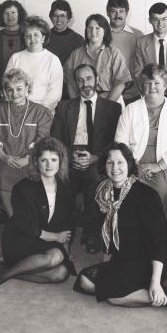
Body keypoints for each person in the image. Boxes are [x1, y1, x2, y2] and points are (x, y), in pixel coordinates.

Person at [73, 143, 167, 320]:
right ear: (104, 166)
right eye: (110, 163)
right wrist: (106, 266)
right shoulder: (103, 192)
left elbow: (159, 241)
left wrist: (155, 281)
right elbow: (107, 234)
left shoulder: (145, 194)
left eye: (120, 162)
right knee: (84, 280)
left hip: (150, 259)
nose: (115, 168)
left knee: (113, 296)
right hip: (123, 257)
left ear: (129, 165)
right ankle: (144, 291)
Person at [0, 137, 75, 290]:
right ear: (36, 162)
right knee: (56, 256)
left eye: (53, 159)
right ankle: (1, 277)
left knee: (61, 273)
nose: (49, 165)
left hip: (46, 241)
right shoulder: (24, 187)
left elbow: (67, 223)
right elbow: (27, 227)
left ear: (61, 161)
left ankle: (7, 271)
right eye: (43, 160)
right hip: (20, 239)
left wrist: (66, 250)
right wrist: (57, 238)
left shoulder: (67, 187)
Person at [51, 64, 121, 254]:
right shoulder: (65, 107)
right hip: (70, 155)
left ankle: (92, 233)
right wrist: (67, 156)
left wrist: (96, 157)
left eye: (89, 78)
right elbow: (56, 137)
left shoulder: (113, 108)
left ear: (97, 79)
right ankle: (66, 233)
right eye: (80, 80)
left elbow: (116, 141)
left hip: (98, 157)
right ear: (75, 83)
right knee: (65, 182)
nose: (85, 83)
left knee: (95, 181)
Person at [115, 64, 167, 209]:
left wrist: (157, 166)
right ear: (142, 87)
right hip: (134, 163)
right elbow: (120, 142)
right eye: (147, 83)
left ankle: (159, 231)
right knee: (129, 191)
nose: (152, 87)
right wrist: (135, 166)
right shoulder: (130, 110)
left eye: (157, 83)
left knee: (158, 191)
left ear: (165, 86)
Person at [0, 68, 51, 216]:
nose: (14, 94)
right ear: (4, 91)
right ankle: (13, 218)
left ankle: (30, 218)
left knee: (35, 175)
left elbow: (42, 140)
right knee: (2, 175)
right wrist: (4, 157)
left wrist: (27, 159)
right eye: (9, 89)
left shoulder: (41, 112)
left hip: (31, 159)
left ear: (27, 88)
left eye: (19, 88)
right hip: (4, 159)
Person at [64, 14, 131, 105]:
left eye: (97, 28)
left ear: (105, 31)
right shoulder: (76, 54)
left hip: (110, 101)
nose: (93, 32)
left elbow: (120, 83)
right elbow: (70, 82)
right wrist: (78, 105)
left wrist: (106, 105)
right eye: (90, 28)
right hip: (83, 102)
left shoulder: (114, 53)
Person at [5, 15, 63, 111]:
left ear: (43, 38)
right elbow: (7, 86)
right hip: (17, 110)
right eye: (28, 36)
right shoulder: (15, 58)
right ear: (24, 38)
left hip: (43, 112)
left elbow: (55, 94)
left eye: (36, 35)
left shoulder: (53, 60)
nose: (32, 39)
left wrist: (36, 113)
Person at [0, 0, 28, 106]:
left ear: (19, 14)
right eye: (6, 13)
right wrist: (0, 90)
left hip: (23, 94)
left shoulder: (27, 36)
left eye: (13, 12)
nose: (10, 16)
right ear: (1, 16)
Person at [106, 0, 143, 104]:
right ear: (108, 12)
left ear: (127, 13)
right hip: (107, 94)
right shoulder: (99, 34)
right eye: (113, 11)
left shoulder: (138, 36)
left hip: (132, 95)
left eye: (121, 11)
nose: (118, 15)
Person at [46, 0, 85, 70]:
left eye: (62, 16)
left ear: (68, 18)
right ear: (51, 18)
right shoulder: (44, 38)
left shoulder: (78, 40)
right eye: (55, 15)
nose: (59, 19)